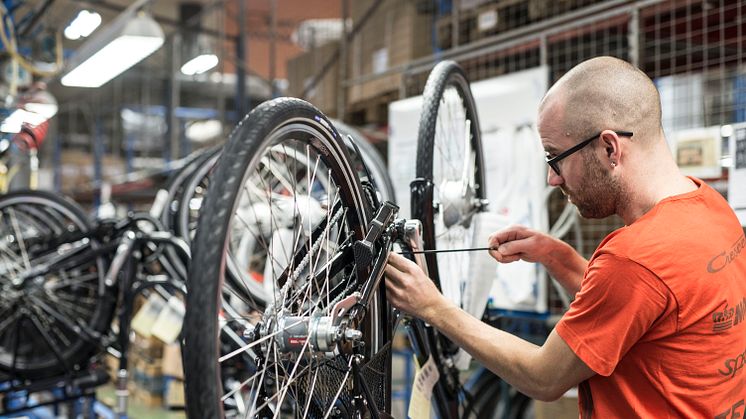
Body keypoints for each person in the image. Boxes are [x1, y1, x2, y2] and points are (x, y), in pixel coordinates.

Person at [385, 56, 746, 418]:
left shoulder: (634, 258)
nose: (552, 179)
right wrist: (555, 256)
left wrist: (431, 305)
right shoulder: (711, 207)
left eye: (555, 157)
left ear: (609, 148)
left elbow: (544, 377)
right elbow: (634, 308)